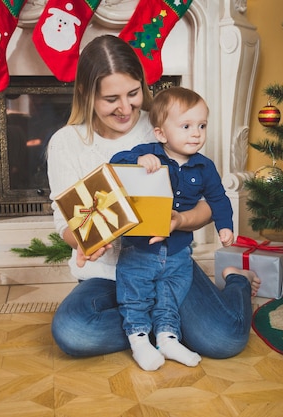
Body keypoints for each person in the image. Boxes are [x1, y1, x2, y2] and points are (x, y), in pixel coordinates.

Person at [47, 34, 260, 361]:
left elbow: (207, 200)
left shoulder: (167, 122)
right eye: (110, 98)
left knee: (224, 339)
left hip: (166, 266)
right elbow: (67, 222)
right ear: (85, 93)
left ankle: (236, 281)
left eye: (133, 93)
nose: (125, 107)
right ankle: (165, 326)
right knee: (75, 331)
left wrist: (180, 221)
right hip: (106, 276)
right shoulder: (66, 143)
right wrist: (84, 241)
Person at [109, 87, 234, 370]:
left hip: (178, 251)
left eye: (202, 126)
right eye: (186, 126)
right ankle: (140, 341)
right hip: (140, 249)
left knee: (170, 296)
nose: (196, 134)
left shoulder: (204, 167)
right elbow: (115, 164)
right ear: (161, 134)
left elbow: (217, 198)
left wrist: (225, 226)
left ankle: (167, 338)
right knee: (135, 296)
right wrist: (137, 161)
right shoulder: (147, 153)